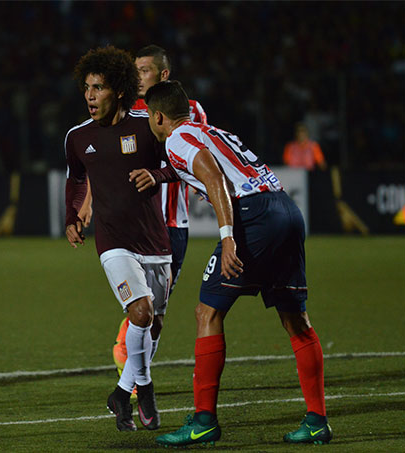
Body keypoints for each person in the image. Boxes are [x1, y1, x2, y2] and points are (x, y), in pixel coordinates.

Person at [128, 80, 331, 447]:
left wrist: (227, 235)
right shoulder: (210, 130)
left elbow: (213, 177)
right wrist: (158, 175)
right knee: (295, 318)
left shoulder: (175, 140)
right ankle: (317, 421)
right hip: (284, 207)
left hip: (252, 217)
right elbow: (202, 166)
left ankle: (204, 420)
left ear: (158, 117)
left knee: (207, 313)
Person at [65, 46, 178, 432]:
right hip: (112, 241)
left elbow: (176, 166)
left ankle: (121, 391)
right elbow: (76, 178)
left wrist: (157, 176)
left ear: (117, 90)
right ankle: (142, 390)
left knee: (156, 324)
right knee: (141, 313)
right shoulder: (78, 137)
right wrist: (72, 217)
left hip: (155, 240)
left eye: (98, 88)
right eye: (86, 88)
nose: (90, 96)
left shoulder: (147, 125)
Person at [110, 45, 208, 380]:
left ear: (163, 74)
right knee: (142, 305)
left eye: (145, 70)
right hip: (138, 222)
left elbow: (201, 156)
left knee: (158, 312)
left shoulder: (192, 111)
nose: (138, 77)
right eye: (134, 70)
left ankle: (136, 370)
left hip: (173, 225)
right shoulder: (126, 112)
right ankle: (133, 375)